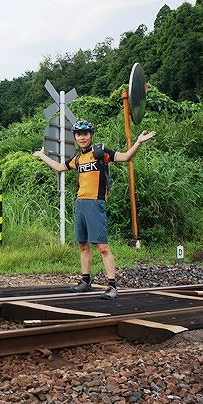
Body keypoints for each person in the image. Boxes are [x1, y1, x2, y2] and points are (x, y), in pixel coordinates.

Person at [33, 120, 156, 299]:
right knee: (83, 245)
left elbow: (126, 157)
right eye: (78, 134)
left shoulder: (100, 153)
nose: (82, 137)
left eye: (85, 134)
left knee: (103, 247)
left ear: (91, 136)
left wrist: (138, 142)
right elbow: (60, 168)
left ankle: (112, 286)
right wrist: (42, 156)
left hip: (95, 204)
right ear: (75, 137)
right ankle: (85, 282)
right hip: (80, 204)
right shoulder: (77, 158)